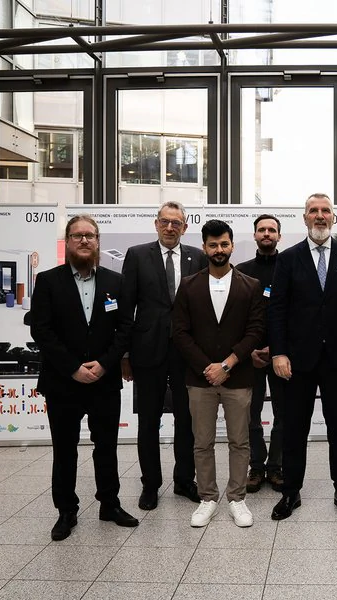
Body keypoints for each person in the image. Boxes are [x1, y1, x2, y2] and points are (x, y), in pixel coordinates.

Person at [30, 215, 138, 541]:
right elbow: (42, 331)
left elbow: (125, 328)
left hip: (104, 381)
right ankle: (66, 510)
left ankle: (110, 504)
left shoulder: (115, 282)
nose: (84, 241)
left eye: (90, 235)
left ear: (98, 241)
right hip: (63, 382)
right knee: (65, 450)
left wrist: (104, 365)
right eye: (77, 236)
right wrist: (73, 368)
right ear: (68, 241)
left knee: (106, 447)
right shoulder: (48, 281)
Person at [268, 193, 337, 521]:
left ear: (333, 218)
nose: (320, 215)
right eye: (313, 210)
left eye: (325, 210)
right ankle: (291, 492)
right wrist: (279, 352)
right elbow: (277, 309)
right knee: (294, 429)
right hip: (297, 360)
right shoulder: (288, 258)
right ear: (304, 218)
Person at [172, 219, 265, 528]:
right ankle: (208, 498)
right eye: (213, 245)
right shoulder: (189, 285)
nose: (219, 249)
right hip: (200, 379)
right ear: (204, 248)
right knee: (202, 442)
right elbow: (180, 333)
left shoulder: (250, 285)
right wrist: (208, 367)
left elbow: (255, 330)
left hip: (238, 377)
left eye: (224, 244)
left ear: (232, 246)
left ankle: (237, 499)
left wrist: (227, 364)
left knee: (240, 441)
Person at [120, 201, 206, 511]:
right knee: (148, 421)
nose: (170, 227)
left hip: (186, 353)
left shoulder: (198, 257)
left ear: (185, 227)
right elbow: (126, 307)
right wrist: (125, 354)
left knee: (187, 420)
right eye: (165, 222)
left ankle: (184, 480)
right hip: (147, 351)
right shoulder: (136, 255)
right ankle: (150, 484)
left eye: (176, 223)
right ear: (156, 224)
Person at [237, 214, 285, 493]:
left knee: (283, 414)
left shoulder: (289, 267)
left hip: (282, 355)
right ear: (255, 235)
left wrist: (276, 349)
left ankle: (276, 467)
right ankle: (256, 466)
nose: (266, 233)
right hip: (250, 355)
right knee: (250, 415)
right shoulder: (241, 271)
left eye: (271, 230)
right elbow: (235, 318)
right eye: (262, 230)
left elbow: (296, 315)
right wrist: (249, 350)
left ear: (279, 236)